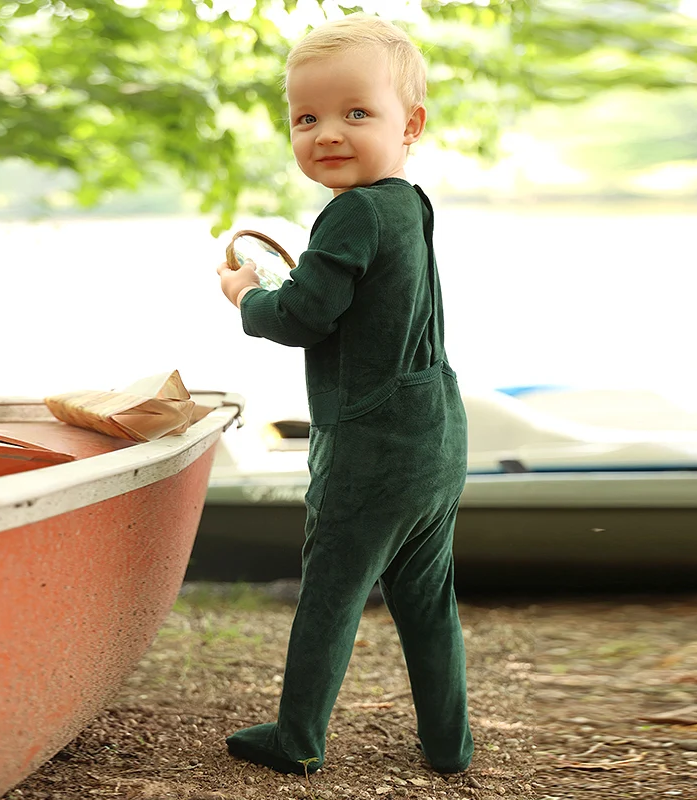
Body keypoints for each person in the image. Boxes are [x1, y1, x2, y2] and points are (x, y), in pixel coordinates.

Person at [216, 13, 473, 777]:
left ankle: (296, 737)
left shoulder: (350, 211)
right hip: (436, 432)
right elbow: (360, 302)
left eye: (356, 113)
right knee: (427, 599)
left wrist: (244, 295)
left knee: (331, 590)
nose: (327, 132)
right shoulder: (407, 204)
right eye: (307, 117)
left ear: (410, 124)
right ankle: (449, 742)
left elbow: (301, 315)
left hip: (371, 443)